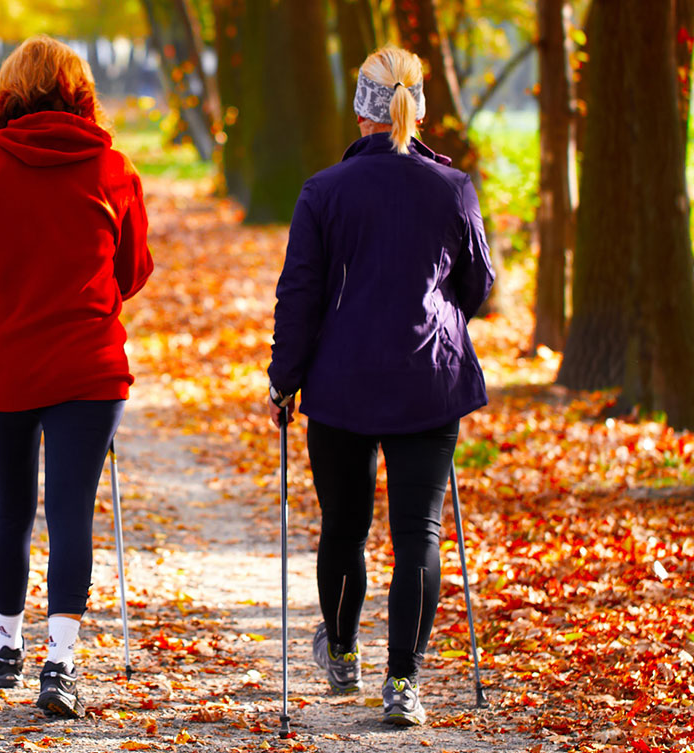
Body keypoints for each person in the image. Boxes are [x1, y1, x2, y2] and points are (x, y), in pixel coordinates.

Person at [0, 36, 152, 720]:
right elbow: (133, 269)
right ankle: (62, 662)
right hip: (90, 364)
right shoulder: (113, 167)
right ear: (81, 92)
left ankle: (8, 643)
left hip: (6, 366)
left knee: (14, 504)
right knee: (72, 506)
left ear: (10, 92)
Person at [265, 46, 494, 727]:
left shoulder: (325, 190)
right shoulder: (452, 188)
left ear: (359, 108)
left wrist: (284, 379)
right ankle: (404, 681)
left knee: (344, 524)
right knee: (418, 529)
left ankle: (340, 649)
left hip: (341, 383)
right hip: (429, 377)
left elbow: (299, 294)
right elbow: (477, 283)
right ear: (418, 106)